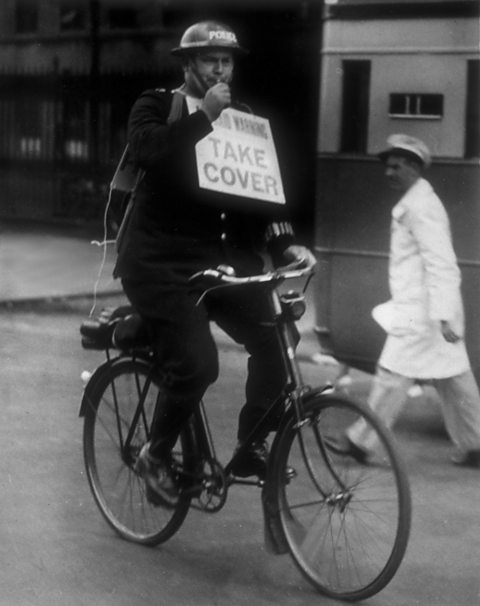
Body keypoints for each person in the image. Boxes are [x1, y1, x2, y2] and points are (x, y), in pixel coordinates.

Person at [113, 21, 316, 505]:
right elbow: (146, 151)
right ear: (188, 65)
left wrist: (286, 242)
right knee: (197, 363)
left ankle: (252, 445)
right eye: (210, 60)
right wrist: (203, 116)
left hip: (219, 263)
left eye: (226, 61)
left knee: (277, 339)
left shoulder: (242, 116)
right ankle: (155, 454)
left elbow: (261, 192)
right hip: (159, 263)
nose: (221, 69)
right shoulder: (157, 104)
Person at [336, 134, 480, 468]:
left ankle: (360, 440)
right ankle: (475, 445)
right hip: (427, 310)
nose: (389, 172)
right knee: (454, 379)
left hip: (425, 312)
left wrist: (445, 314)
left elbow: (441, 261)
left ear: (414, 167)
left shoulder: (421, 207)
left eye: (396, 166)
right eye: (387, 166)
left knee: (391, 373)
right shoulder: (416, 202)